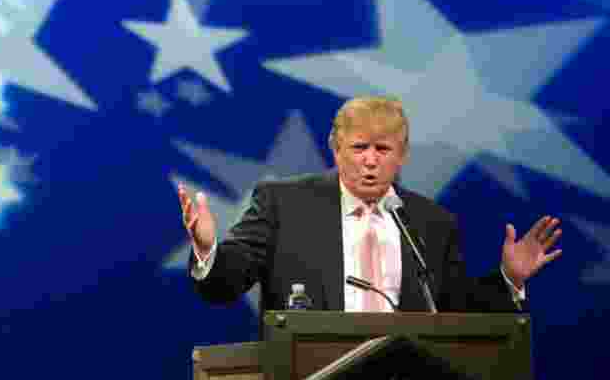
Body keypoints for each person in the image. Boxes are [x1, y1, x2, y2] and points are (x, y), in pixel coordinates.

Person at [177, 96, 562, 316]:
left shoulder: (431, 222)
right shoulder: (283, 205)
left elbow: (456, 313)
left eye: (383, 149)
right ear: (337, 149)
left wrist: (508, 279)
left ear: (403, 155)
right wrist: (208, 249)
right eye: (360, 148)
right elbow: (224, 286)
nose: (371, 161)